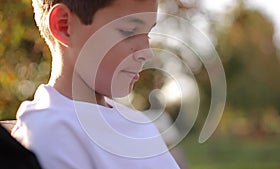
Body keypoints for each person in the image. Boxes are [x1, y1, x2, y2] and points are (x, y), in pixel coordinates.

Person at [11, 0, 180, 168]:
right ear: (63, 25)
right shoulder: (51, 132)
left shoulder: (140, 123)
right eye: (128, 32)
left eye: (148, 34)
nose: (147, 53)